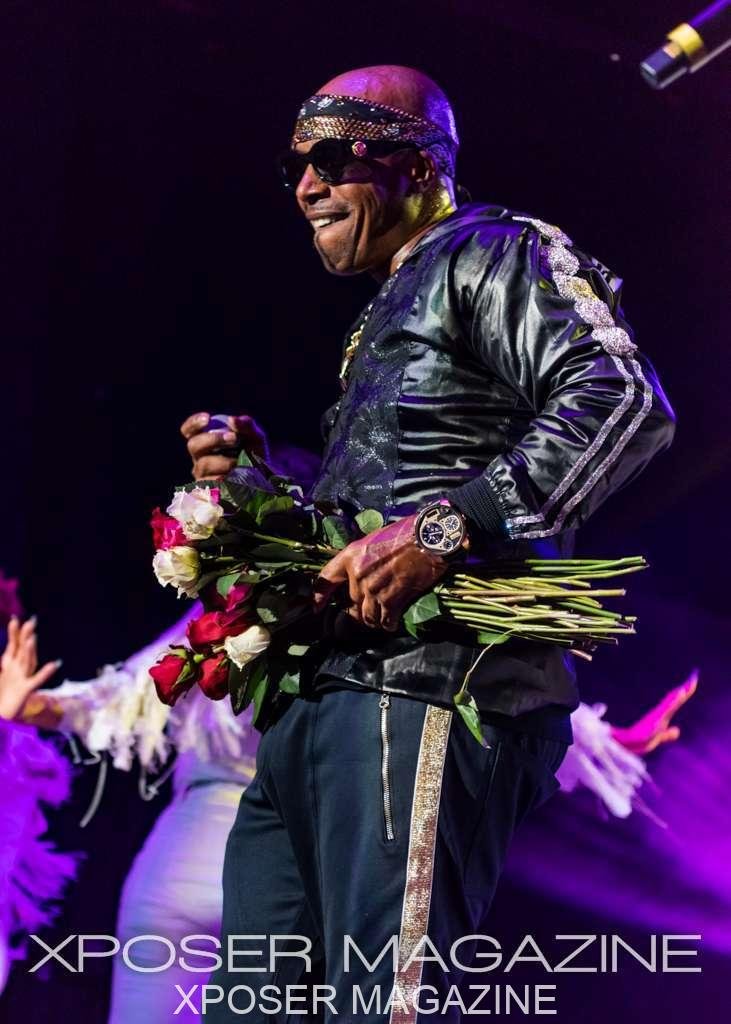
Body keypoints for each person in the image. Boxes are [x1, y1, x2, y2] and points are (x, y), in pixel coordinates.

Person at [168, 64, 676, 1020]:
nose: (306, 186)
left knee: (386, 1004)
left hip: (426, 687)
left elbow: (622, 403)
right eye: (294, 168)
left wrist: (445, 530)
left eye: (330, 158)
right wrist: (257, 492)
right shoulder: (390, 301)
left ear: (419, 164)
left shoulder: (494, 250)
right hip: (323, 701)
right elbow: (387, 503)